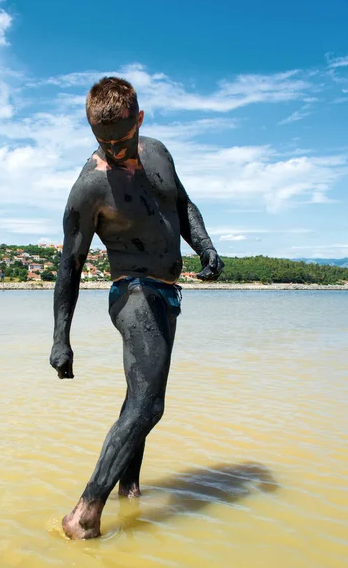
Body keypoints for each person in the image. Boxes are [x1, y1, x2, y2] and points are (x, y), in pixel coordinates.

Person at [50, 77, 224, 539]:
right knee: (149, 405)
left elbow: (181, 204)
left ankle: (131, 493)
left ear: (139, 121)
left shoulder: (159, 153)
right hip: (132, 293)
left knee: (138, 398)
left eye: (122, 140)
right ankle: (84, 513)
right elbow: (69, 266)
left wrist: (206, 248)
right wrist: (60, 339)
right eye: (103, 142)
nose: (113, 150)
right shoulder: (89, 188)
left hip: (168, 292)